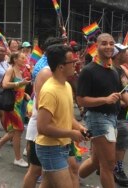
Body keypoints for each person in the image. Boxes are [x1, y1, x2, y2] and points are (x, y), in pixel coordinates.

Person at [77, 33, 128, 188]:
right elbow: (81, 100)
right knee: (108, 165)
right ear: (97, 46)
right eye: (104, 43)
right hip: (98, 119)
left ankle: (73, 177)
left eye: (111, 44)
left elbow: (124, 95)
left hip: (112, 119)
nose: (108, 47)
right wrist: (105, 100)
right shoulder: (88, 71)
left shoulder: (113, 71)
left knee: (96, 161)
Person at [35, 44, 87, 188]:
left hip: (62, 145)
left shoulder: (67, 86)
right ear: (61, 67)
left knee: (47, 184)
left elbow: (66, 117)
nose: (76, 64)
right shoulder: (50, 91)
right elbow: (42, 127)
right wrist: (71, 133)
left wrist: (80, 128)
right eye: (72, 61)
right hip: (50, 148)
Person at [23, 37, 63, 188]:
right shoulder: (45, 70)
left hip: (47, 125)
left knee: (45, 171)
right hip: (42, 125)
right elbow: (42, 103)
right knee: (36, 170)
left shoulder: (52, 67)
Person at [0, 52, 31, 167]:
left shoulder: (20, 70)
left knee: (13, 131)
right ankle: (18, 158)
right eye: (22, 58)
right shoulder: (11, 70)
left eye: (25, 58)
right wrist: (21, 83)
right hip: (12, 105)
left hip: (19, 104)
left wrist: (25, 94)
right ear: (15, 59)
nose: (25, 60)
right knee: (18, 130)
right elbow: (5, 84)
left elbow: (18, 89)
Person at [111, 43, 128, 186]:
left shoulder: (120, 69)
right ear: (118, 55)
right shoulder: (112, 71)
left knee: (121, 143)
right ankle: (116, 169)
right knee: (120, 143)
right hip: (116, 115)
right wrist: (123, 101)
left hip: (122, 115)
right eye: (125, 51)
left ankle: (111, 167)